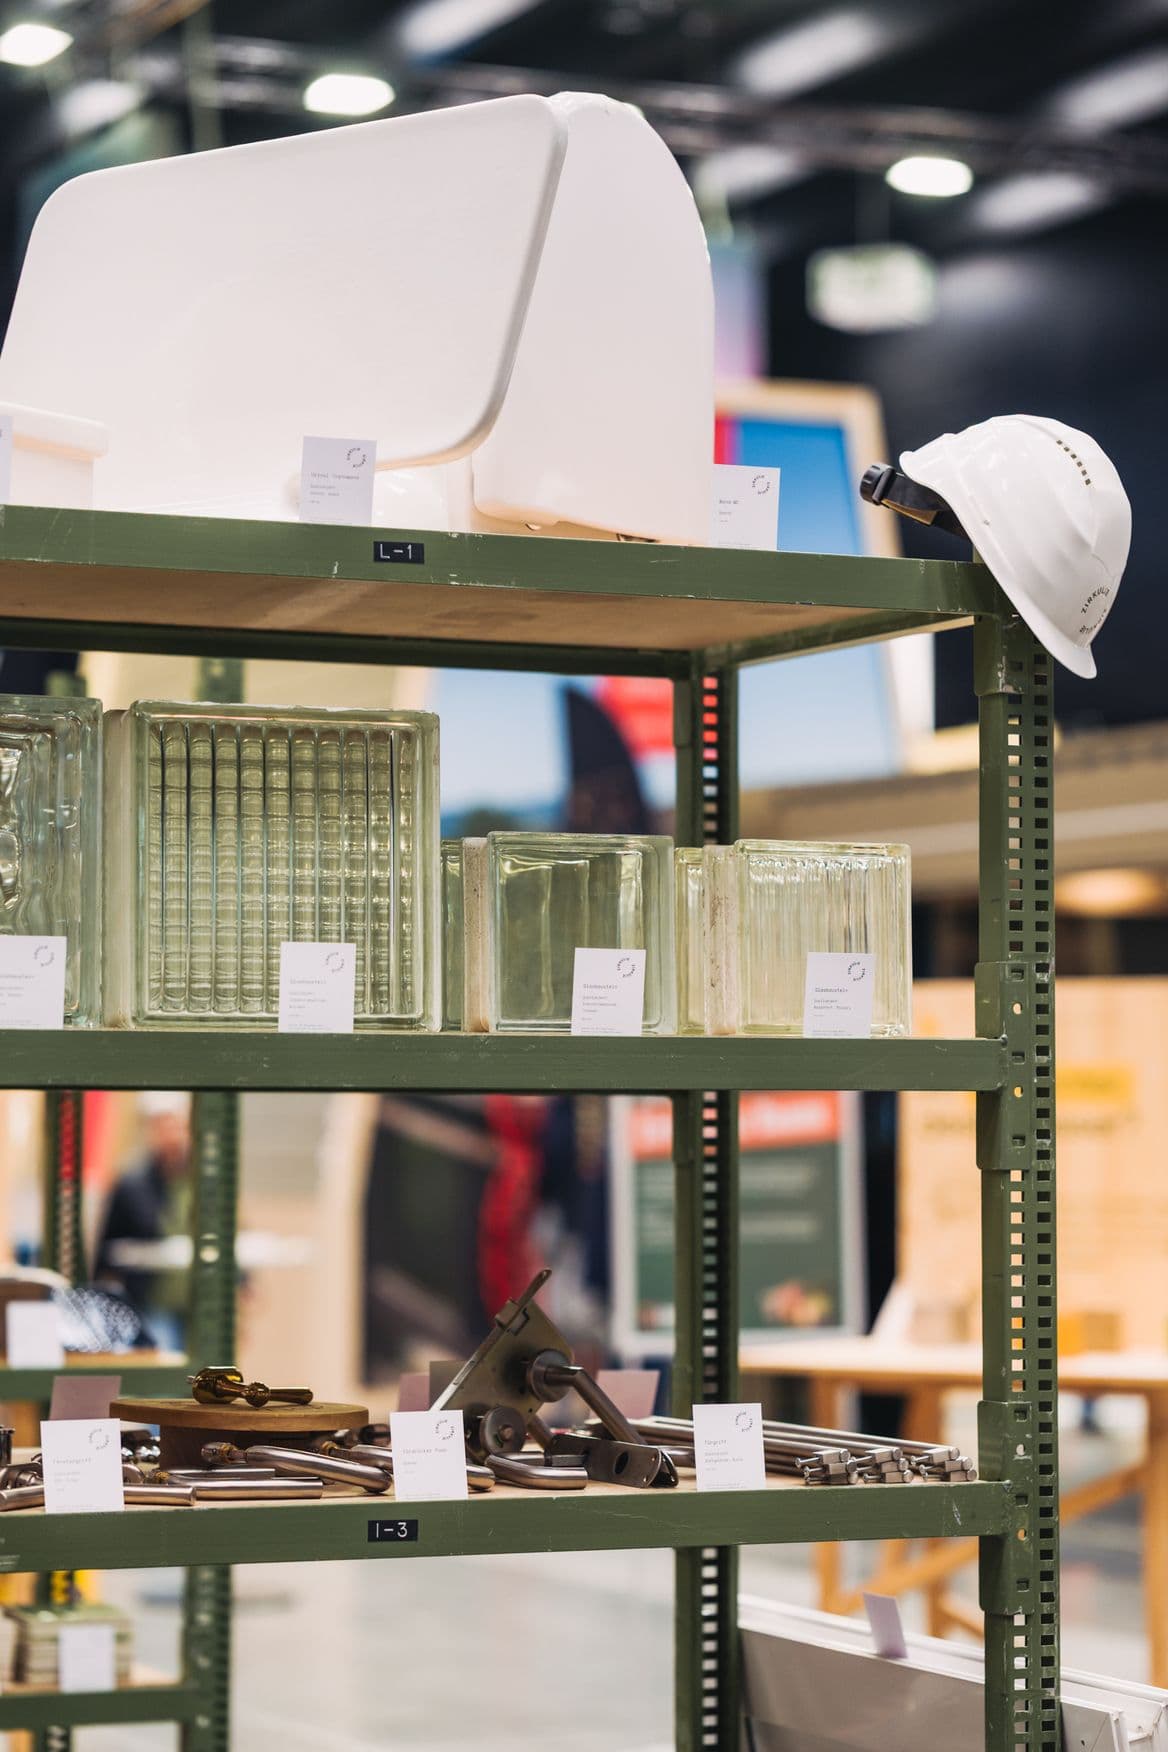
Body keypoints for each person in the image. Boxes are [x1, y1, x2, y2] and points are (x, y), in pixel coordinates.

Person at [94, 1092, 193, 1351]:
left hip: (197, 1302)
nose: (172, 1135)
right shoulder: (132, 1184)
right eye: (163, 1125)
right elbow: (108, 1245)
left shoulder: (205, 1179)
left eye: (178, 1125)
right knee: (165, 1361)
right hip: (151, 1302)